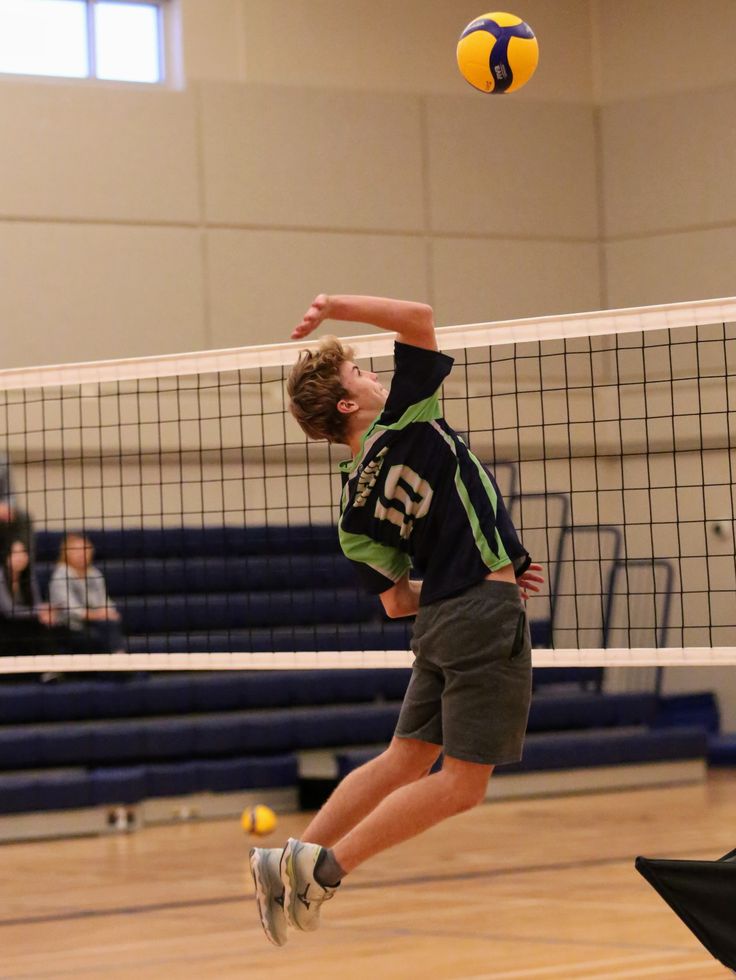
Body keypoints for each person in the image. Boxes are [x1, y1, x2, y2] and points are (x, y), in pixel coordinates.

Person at [249, 295, 544, 946]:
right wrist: (333, 305)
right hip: (479, 613)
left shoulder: (351, 511)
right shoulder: (407, 415)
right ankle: (325, 868)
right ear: (349, 407)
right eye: (360, 374)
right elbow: (418, 314)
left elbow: (397, 603)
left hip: (439, 616)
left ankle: (283, 859)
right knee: (464, 785)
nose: (374, 374)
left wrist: (478, 559)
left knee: (405, 757)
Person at [48, 533, 125, 654]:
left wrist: (109, 612)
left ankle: (119, 662)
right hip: (69, 627)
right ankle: (119, 664)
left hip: (94, 623)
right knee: (97, 636)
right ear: (66, 553)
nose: (82, 554)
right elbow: (71, 610)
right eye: (76, 550)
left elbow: (105, 601)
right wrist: (97, 614)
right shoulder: (61, 575)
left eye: (85, 550)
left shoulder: (95, 574)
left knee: (110, 624)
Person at [0, 539, 63, 656]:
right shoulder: (1, 577)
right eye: (15, 553)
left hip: (25, 622)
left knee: (52, 626)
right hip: (4, 624)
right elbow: (9, 611)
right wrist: (40, 611)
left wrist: (46, 611)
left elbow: (36, 603)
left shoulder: (29, 577)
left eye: (23, 552)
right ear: (6, 556)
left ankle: (52, 669)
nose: (20, 557)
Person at [0, 452, 35, 569]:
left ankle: (24, 576)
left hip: (2, 515)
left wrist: (8, 507)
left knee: (24, 518)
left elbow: (10, 494)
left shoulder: (2, 460)